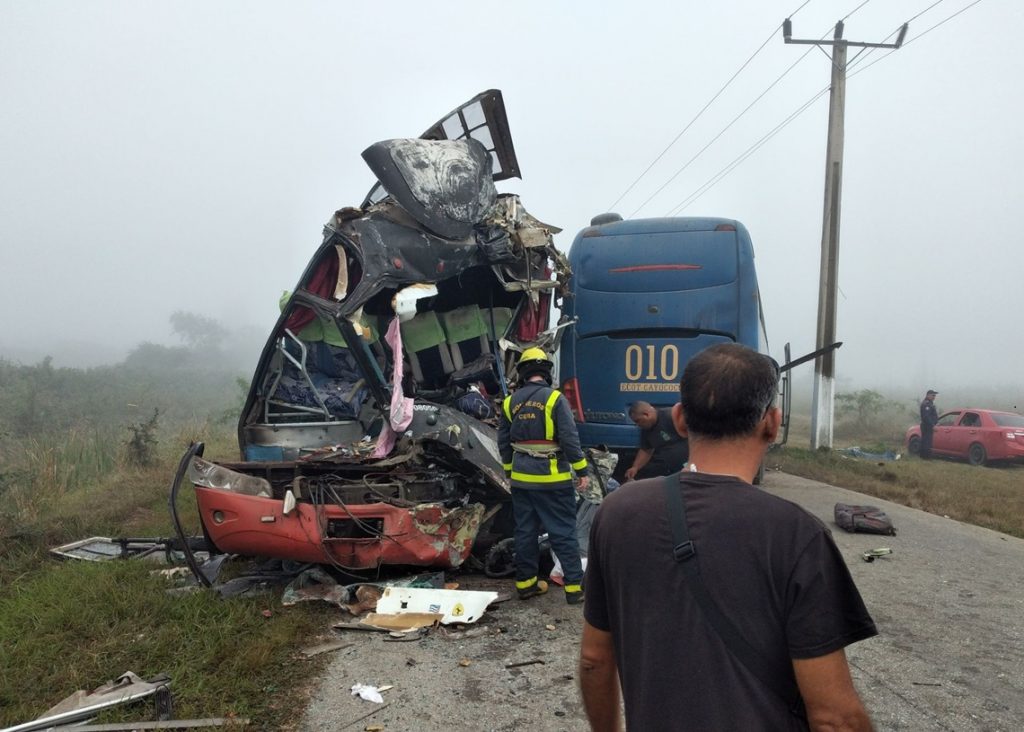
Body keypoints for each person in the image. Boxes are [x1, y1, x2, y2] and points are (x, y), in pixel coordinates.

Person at [579, 344, 877, 731]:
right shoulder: (795, 533)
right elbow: (835, 718)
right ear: (772, 424)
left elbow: (594, 659)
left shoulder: (616, 513)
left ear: (682, 420)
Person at [498, 347, 590, 605]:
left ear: (523, 373)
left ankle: (526, 585)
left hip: (522, 480)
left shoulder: (509, 402)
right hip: (553, 480)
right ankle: (574, 588)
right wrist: (581, 470)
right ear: (546, 372)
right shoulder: (555, 399)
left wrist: (509, 472)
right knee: (563, 532)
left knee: (525, 532)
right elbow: (570, 439)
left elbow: (503, 443)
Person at [623, 401, 689, 480]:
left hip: (692, 466)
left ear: (646, 415)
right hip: (673, 471)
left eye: (637, 421)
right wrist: (635, 467)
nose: (637, 425)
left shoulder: (672, 416)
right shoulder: (646, 430)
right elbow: (646, 450)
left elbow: (697, 435)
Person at [919, 389, 939, 460]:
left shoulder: (930, 403)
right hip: (927, 426)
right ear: (928, 395)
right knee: (926, 441)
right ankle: (926, 457)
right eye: (933, 395)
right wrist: (932, 425)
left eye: (935, 396)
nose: (934, 397)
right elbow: (926, 417)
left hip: (928, 426)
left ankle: (924, 456)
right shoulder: (926, 404)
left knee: (927, 441)